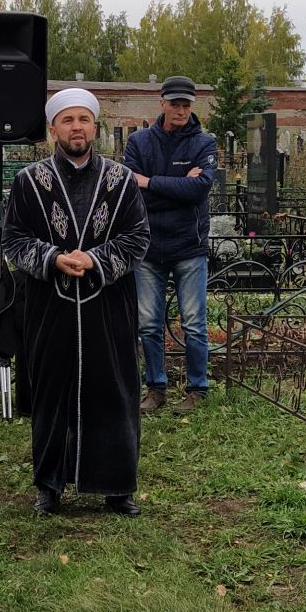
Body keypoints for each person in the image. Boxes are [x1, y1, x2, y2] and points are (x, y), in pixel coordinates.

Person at [0, 88, 149, 517]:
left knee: (114, 392)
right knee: (52, 392)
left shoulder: (120, 181)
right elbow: (14, 239)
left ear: (95, 127)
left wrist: (96, 259)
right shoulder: (29, 182)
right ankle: (50, 484)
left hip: (109, 305)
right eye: (67, 120)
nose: (76, 127)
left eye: (83, 119)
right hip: (51, 305)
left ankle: (118, 487)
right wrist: (52, 258)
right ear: (53, 129)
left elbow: (138, 238)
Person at [122, 74, 217, 415]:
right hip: (147, 246)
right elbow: (130, 189)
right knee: (148, 322)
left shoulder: (204, 143)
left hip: (188, 246)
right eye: (174, 103)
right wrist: (177, 186)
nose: (180, 110)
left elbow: (199, 190)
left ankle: (197, 388)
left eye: (186, 104)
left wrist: (150, 182)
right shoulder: (139, 142)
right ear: (161, 103)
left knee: (194, 322)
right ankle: (156, 387)